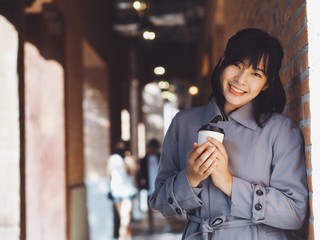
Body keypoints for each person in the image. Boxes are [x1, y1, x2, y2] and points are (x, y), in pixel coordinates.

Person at [149, 28, 308, 239]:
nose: (241, 80)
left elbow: (294, 213)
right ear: (223, 62)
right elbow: (160, 203)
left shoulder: (279, 130)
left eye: (256, 74)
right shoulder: (183, 123)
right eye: (237, 65)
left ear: (266, 84)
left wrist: (228, 183)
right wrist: (191, 177)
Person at [108, 139, 138, 240]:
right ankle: (128, 237)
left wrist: (129, 161)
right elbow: (109, 172)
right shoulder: (113, 159)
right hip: (117, 191)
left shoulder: (129, 159)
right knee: (124, 219)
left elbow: (133, 172)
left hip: (128, 191)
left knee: (125, 219)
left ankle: (121, 237)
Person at [137, 138, 161, 232]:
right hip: (149, 186)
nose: (152, 150)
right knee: (149, 206)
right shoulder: (144, 160)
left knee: (165, 205)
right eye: (151, 148)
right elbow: (141, 173)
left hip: (160, 185)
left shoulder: (161, 158)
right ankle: (151, 225)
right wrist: (140, 184)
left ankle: (171, 224)